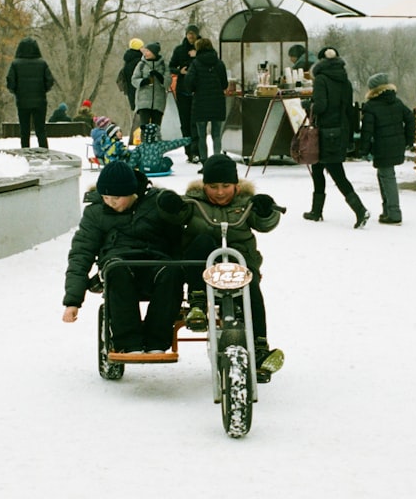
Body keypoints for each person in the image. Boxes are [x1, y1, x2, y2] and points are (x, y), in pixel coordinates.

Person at [157, 153, 285, 382]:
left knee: (251, 287)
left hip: (238, 262)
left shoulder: (246, 203)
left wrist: (265, 210)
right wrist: (170, 205)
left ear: (236, 185)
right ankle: (197, 302)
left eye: (226, 186)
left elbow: (265, 224)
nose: (219, 192)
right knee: (202, 240)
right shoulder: (195, 202)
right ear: (204, 185)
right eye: (213, 186)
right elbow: (175, 215)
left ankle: (259, 347)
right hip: (203, 264)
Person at [61, 160, 185, 354]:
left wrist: (176, 211)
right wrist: (73, 300)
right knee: (117, 270)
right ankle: (129, 342)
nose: (110, 203)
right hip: (118, 263)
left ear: (132, 192)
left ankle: (156, 341)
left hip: (155, 261)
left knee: (172, 271)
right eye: (106, 197)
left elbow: (180, 232)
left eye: (117, 198)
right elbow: (81, 253)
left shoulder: (155, 204)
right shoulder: (96, 213)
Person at [302, 46, 370, 228]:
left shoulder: (321, 80)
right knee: (317, 168)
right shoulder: (345, 82)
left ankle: (360, 210)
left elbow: (321, 106)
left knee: (337, 174)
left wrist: (308, 104)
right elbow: (349, 109)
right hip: (340, 130)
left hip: (325, 131)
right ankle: (316, 211)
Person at [359, 72, 416, 226]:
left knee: (387, 176)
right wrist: (408, 139)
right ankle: (387, 211)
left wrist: (363, 150)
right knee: (384, 175)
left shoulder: (371, 106)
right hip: (396, 144)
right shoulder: (396, 102)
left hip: (382, 146)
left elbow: (367, 131)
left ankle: (394, 213)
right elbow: (410, 118)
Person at [184, 37, 228, 164]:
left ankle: (204, 161)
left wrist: (193, 89)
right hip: (217, 102)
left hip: (200, 102)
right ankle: (218, 161)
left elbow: (189, 81)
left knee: (201, 135)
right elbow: (224, 84)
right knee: (216, 134)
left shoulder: (196, 63)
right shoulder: (219, 63)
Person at [6, 36, 56, 149]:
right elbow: (50, 81)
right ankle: (44, 150)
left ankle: (25, 151)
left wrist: (16, 92)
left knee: (24, 130)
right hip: (40, 101)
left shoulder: (16, 64)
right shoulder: (42, 64)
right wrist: (43, 90)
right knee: (40, 130)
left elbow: (10, 82)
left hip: (22, 101)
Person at [169, 24, 201, 163]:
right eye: (189, 34)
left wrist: (196, 56)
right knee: (185, 122)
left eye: (193, 34)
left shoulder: (202, 49)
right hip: (183, 91)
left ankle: (197, 151)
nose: (190, 36)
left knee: (197, 123)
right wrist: (179, 72)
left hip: (199, 91)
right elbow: (171, 66)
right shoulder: (179, 50)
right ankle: (188, 151)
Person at [132, 42, 169, 126]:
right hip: (143, 101)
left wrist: (158, 76)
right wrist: (143, 81)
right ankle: (144, 139)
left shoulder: (163, 65)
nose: (146, 53)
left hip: (158, 102)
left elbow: (167, 82)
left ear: (154, 53)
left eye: (148, 51)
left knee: (156, 127)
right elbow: (134, 80)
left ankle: (156, 139)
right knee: (144, 127)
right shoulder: (141, 65)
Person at [119, 37, 145, 127]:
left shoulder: (127, 61)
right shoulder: (139, 61)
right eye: (142, 47)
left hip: (130, 91)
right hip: (139, 91)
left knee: (136, 113)